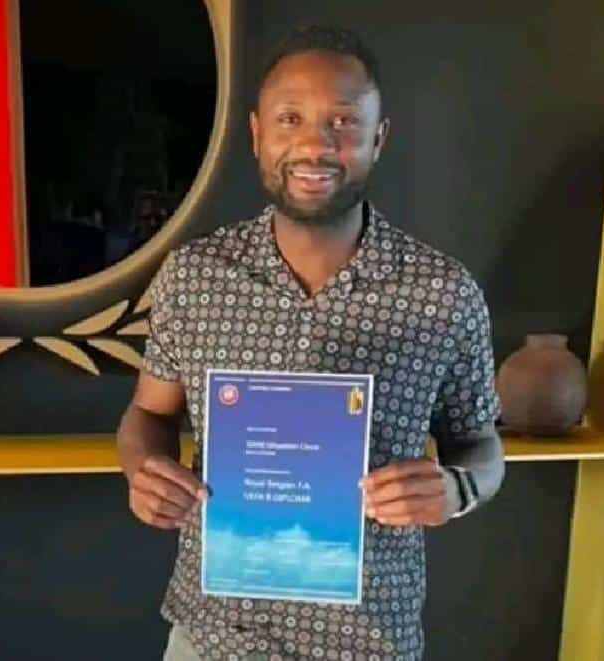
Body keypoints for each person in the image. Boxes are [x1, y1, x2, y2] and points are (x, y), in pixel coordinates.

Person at [116, 24, 505, 661]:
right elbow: (148, 414)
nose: (315, 145)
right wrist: (144, 472)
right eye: (290, 118)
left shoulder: (444, 294)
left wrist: (456, 490)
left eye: (343, 122)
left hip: (370, 640)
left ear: (378, 138)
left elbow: (481, 443)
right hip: (214, 637)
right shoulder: (195, 276)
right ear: (256, 134)